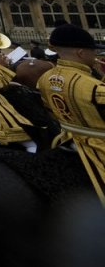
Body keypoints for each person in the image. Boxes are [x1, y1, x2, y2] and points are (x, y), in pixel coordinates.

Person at [36, 24, 105, 203]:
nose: (95, 56)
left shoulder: (44, 79)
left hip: (66, 139)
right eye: (93, 52)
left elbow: (51, 112)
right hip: (96, 147)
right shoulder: (92, 87)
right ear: (81, 53)